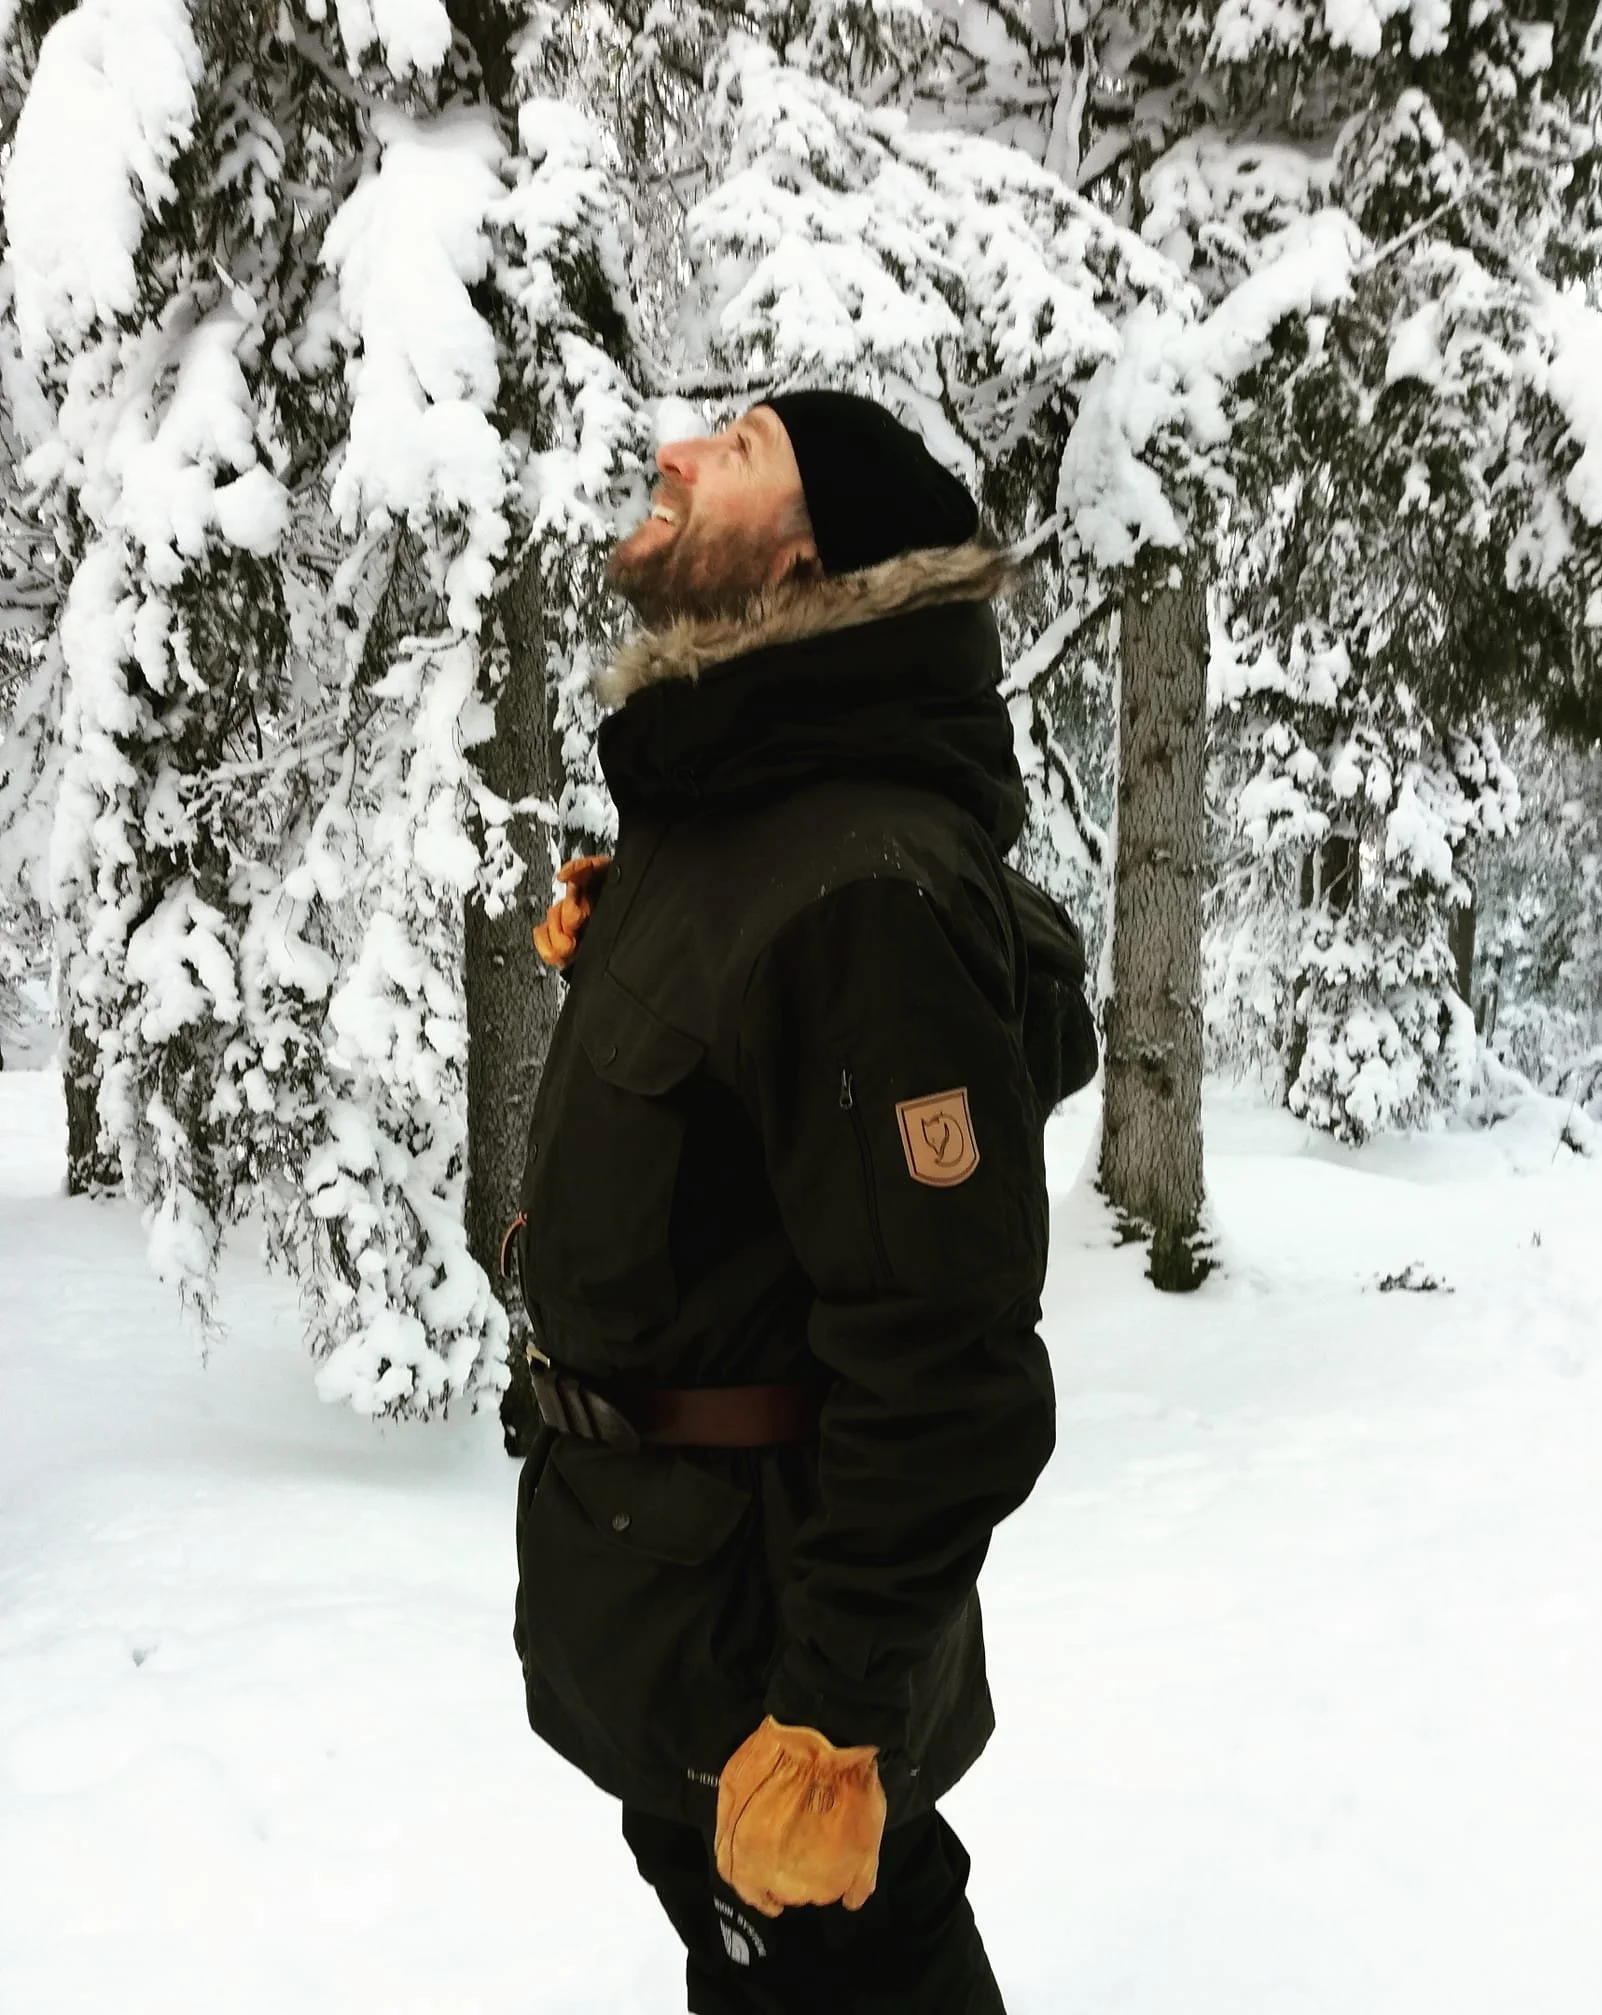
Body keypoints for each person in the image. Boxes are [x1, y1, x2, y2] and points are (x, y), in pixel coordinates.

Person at [509, 391, 1058, 2013]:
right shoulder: (736, 822)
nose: (673, 454)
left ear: (812, 560)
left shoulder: (857, 886)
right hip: (673, 1601)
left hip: (772, 1651)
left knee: (851, 1973)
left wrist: (833, 1718)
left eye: (736, 450)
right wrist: (654, 949)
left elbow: (947, 1361)